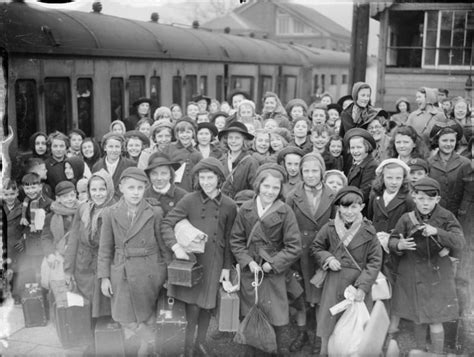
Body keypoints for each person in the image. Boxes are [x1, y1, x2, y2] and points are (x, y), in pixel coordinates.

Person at [161, 157, 238, 356]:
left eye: (210, 177)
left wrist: (226, 269)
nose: (206, 182)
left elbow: (230, 239)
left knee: (207, 305)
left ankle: (200, 343)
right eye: (202, 177)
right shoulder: (189, 199)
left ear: (219, 179)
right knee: (193, 306)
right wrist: (176, 246)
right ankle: (187, 347)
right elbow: (166, 224)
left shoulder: (229, 205)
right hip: (193, 262)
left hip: (215, 261)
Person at [230, 163, 302, 356]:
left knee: (274, 319)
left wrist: (274, 264)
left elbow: (294, 246)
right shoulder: (246, 209)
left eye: (275, 188)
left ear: (280, 190)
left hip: (273, 274)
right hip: (250, 272)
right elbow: (236, 240)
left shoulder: (285, 211)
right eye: (266, 186)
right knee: (250, 316)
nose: (270, 191)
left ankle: (272, 351)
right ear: (258, 186)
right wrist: (248, 261)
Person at [388, 177, 464, 354]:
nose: (425, 203)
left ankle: (436, 353)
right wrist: (399, 245)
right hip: (412, 273)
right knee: (417, 317)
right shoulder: (407, 218)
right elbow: (393, 239)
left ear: (437, 199)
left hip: (437, 275)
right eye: (421, 198)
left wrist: (438, 231)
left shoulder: (446, 217)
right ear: (414, 197)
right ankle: (420, 351)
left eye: (430, 199)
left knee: (435, 319)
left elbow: (460, 242)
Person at [98, 167, 169, 355]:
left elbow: (163, 245)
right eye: (131, 188)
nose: (136, 192)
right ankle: (151, 339)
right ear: (121, 187)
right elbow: (105, 248)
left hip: (150, 269)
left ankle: (145, 350)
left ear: (145, 188)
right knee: (122, 316)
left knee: (148, 315)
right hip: (122, 270)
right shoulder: (109, 213)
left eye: (140, 188)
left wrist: (168, 272)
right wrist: (104, 277)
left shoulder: (155, 212)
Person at [311, 186, 382, 355]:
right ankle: (325, 352)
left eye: (354, 207)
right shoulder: (329, 228)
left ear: (362, 207)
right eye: (344, 207)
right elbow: (317, 247)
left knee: (356, 324)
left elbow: (374, 261)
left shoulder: (369, 231)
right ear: (338, 207)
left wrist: (362, 287)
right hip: (334, 282)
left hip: (357, 284)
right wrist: (328, 258)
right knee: (329, 321)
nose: (349, 211)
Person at [285, 153, 335, 353]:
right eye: (306, 171)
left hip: (324, 252)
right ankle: (302, 331)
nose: (310, 175)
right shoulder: (292, 196)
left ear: (322, 171)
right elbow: (286, 226)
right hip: (300, 253)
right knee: (301, 294)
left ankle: (318, 335)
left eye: (315, 171)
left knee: (321, 296)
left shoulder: (332, 194)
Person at [367, 158, 415, 335]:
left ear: (404, 179)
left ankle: (392, 324)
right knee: (377, 282)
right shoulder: (375, 196)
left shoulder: (407, 199)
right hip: (377, 247)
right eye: (389, 178)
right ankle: (375, 321)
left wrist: (393, 237)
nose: (394, 182)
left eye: (398, 178)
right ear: (382, 178)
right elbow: (371, 219)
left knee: (394, 284)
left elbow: (411, 224)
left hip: (395, 248)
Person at [64, 170, 115, 323]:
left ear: (109, 189)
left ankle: (106, 341)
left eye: (102, 189)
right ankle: (92, 340)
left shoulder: (115, 210)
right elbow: (74, 239)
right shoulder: (83, 209)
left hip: (105, 265)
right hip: (83, 266)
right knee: (88, 307)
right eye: (94, 189)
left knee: (106, 308)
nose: (98, 194)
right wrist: (68, 270)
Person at [41, 181, 79, 285]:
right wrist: (50, 254)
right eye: (65, 196)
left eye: (72, 195)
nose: (70, 199)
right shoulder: (51, 216)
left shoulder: (82, 212)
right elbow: (46, 237)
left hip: (79, 258)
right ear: (58, 198)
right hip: (59, 258)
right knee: (61, 291)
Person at [18, 173, 53, 289]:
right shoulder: (26, 202)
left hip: (43, 241)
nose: (30, 191)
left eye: (33, 187)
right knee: (34, 269)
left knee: (44, 271)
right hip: (31, 242)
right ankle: (36, 297)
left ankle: (44, 296)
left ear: (40, 187)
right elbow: (25, 223)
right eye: (27, 188)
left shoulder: (48, 203)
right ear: (23, 188)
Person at [218, 122, 259, 199]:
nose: (233, 141)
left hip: (242, 205)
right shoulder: (221, 161)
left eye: (237, 138)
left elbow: (255, 190)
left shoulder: (251, 162)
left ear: (244, 140)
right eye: (230, 138)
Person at [162, 117, 203, 192]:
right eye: (182, 132)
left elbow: (200, 175)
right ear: (177, 134)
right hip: (171, 190)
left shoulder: (197, 154)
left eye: (188, 132)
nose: (185, 135)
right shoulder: (169, 149)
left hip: (190, 192)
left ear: (193, 134)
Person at [92, 133, 136, 200]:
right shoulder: (97, 167)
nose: (114, 150)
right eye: (111, 146)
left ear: (121, 148)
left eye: (117, 147)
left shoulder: (130, 165)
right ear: (105, 148)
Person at [143, 152, 187, 217]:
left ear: (170, 175)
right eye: (154, 174)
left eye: (163, 173)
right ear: (149, 176)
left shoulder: (183, 196)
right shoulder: (143, 196)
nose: (159, 178)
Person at [2, 179, 25, 302]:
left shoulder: (23, 208)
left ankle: (17, 295)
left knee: (17, 270)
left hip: (17, 246)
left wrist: (23, 240)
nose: (9, 197)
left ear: (17, 193)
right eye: (6, 194)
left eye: (12, 194)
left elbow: (27, 227)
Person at [344, 128, 378, 209]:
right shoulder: (357, 163)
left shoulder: (371, 165)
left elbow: (364, 193)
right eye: (352, 148)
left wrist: (345, 201)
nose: (355, 151)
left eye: (359, 147)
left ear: (367, 147)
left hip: (361, 208)